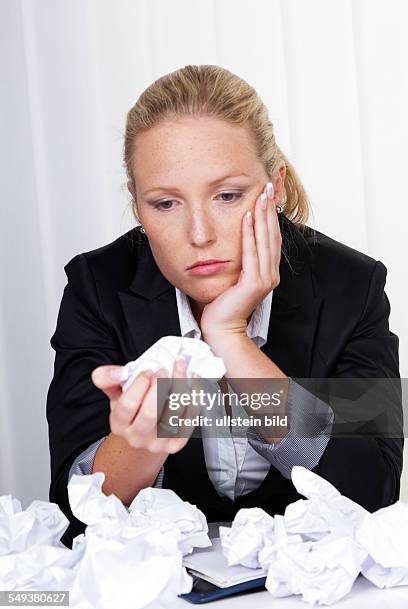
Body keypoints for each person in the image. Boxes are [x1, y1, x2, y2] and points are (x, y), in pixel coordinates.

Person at [46, 64, 403, 549]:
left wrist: (231, 339)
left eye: (228, 196)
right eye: (165, 203)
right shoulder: (97, 289)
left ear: (273, 186)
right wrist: (139, 443)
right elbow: (69, 519)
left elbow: (372, 497)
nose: (199, 234)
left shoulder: (352, 287)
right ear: (137, 204)